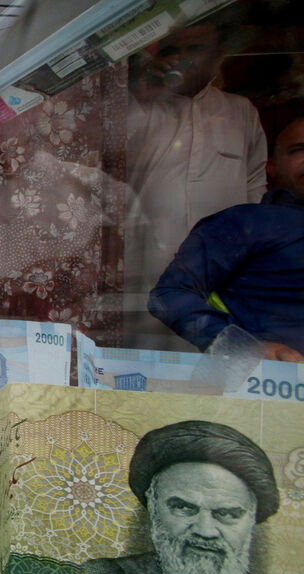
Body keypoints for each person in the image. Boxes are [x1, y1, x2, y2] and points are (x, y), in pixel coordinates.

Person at [81, 421, 304, 574]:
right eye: (184, 508)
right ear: (154, 507)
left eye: (227, 514)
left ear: (251, 520)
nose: (205, 531)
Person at [123, 19, 268, 348]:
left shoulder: (240, 111)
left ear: (219, 53)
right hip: (146, 267)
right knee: (145, 356)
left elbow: (255, 188)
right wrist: (144, 93)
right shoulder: (140, 107)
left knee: (218, 353)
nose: (183, 58)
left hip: (224, 272)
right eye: (173, 50)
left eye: (196, 49)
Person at [148, 116, 304, 361]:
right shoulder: (245, 223)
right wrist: (242, 348)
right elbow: (169, 294)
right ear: (271, 167)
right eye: (299, 150)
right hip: (270, 379)